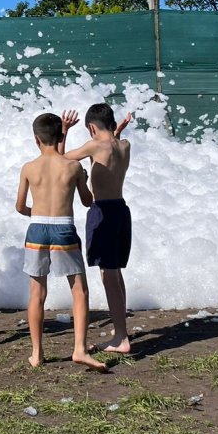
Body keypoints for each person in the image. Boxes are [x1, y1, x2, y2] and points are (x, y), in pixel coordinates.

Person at [15, 113, 104, 371]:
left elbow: (19, 206)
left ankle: (36, 353)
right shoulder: (72, 167)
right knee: (79, 290)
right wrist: (84, 179)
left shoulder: (28, 168)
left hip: (37, 229)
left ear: (36, 139)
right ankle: (79, 349)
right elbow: (87, 201)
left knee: (37, 293)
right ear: (60, 136)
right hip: (64, 228)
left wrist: (38, 214)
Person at [60, 104, 133, 353]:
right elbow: (112, 145)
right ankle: (121, 329)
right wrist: (117, 132)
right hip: (121, 210)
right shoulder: (124, 145)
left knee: (108, 275)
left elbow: (60, 159)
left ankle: (121, 338)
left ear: (91, 127)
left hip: (103, 212)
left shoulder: (94, 146)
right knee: (116, 272)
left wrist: (64, 130)